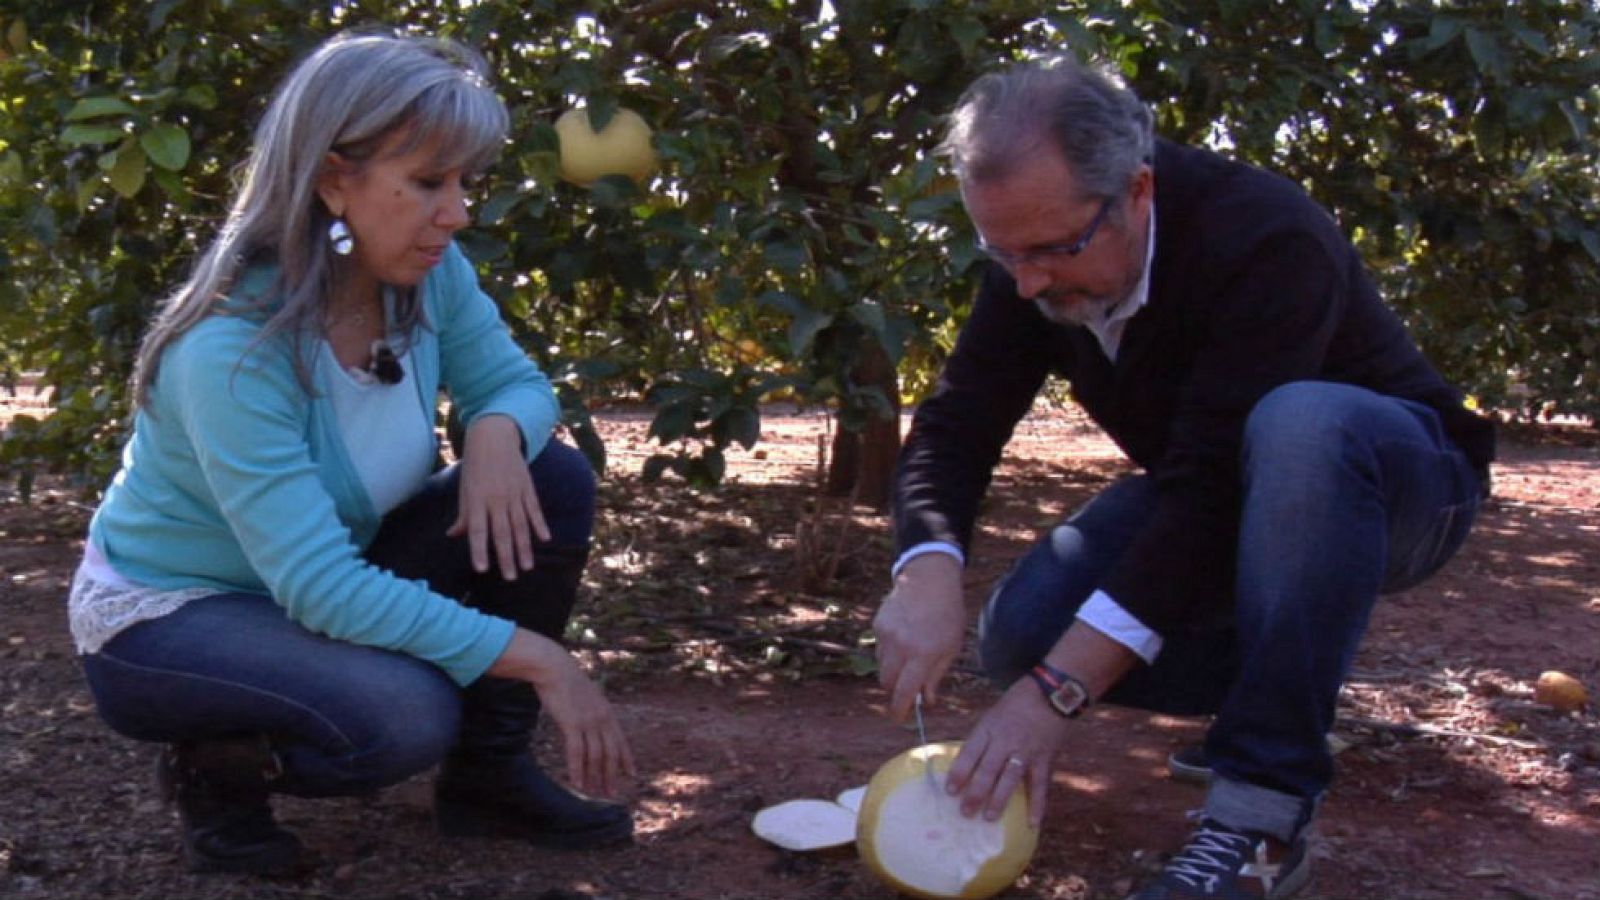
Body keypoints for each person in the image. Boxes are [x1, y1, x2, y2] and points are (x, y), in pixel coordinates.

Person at [873, 55, 1495, 900]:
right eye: (1001, 251)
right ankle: (1274, 692)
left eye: (1051, 250)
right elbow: (958, 421)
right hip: (1221, 491)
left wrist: (1055, 695)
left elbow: (1208, 494)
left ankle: (1262, 814)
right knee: (1021, 634)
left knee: (1303, 422)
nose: (1026, 281)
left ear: (1136, 191)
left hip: (1400, 486)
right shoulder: (1034, 256)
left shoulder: (1266, 237)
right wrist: (926, 568)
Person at [68, 31, 635, 877]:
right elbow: (320, 587)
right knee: (403, 717)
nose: (458, 213)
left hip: (325, 570)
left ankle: (487, 779)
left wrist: (492, 431)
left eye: (465, 182)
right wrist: (541, 659)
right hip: (176, 617)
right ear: (334, 179)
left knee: (548, 474)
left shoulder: (430, 273)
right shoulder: (232, 352)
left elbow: (516, 385)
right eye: (429, 183)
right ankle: (217, 769)